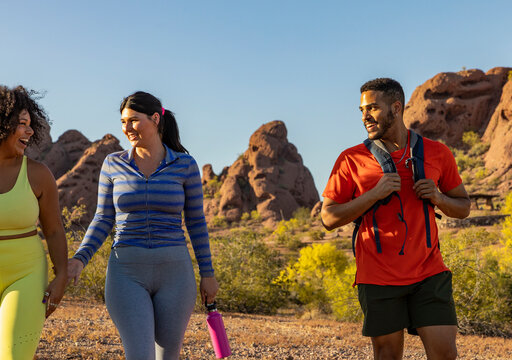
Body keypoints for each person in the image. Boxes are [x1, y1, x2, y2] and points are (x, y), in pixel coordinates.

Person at [321, 78, 470, 360]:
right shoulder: (350, 159)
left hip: (430, 274)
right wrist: (374, 194)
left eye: (373, 108)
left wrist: (439, 198)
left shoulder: (438, 153)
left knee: (445, 354)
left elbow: (463, 207)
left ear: (396, 107)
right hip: (377, 277)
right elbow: (328, 217)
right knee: (387, 355)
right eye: (362, 109)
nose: (365, 116)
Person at [67, 91, 219, 360]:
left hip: (175, 274)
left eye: (134, 121)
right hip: (126, 272)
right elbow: (103, 219)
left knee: (166, 357)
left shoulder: (184, 165)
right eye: (123, 122)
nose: (127, 128)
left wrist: (208, 273)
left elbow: (196, 222)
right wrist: (80, 258)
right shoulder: (113, 164)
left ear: (156, 119)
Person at [0, 85, 68, 359]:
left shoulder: (39, 175)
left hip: (25, 275)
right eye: (22, 124)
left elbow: (53, 230)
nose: (29, 131)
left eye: (31, 125)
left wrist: (61, 274)